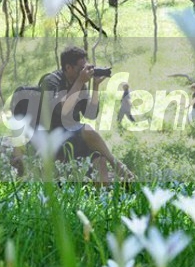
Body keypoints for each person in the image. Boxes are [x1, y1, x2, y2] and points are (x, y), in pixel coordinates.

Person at [39, 46, 133, 184]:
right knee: (87, 129)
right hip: (53, 134)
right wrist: (80, 82)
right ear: (68, 67)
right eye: (81, 68)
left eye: (86, 67)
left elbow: (91, 114)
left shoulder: (80, 83)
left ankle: (103, 191)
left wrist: (95, 86)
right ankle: (116, 164)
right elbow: (63, 110)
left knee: (100, 160)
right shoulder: (51, 81)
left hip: (74, 136)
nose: (85, 72)